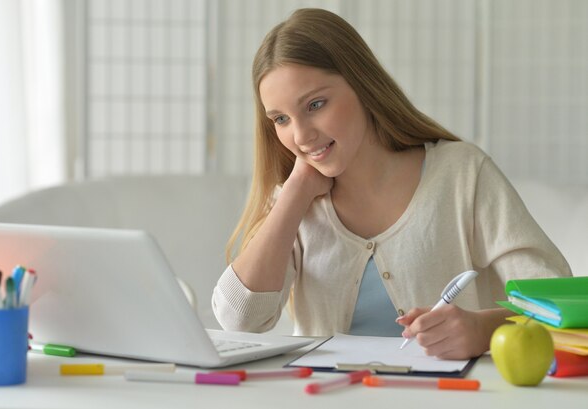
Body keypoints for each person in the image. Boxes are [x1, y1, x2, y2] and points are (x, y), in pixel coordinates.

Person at [211, 8, 571, 360]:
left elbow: (561, 306)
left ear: (362, 85)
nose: (301, 135)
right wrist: (294, 194)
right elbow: (239, 320)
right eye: (281, 118)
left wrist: (483, 331)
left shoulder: (462, 174)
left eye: (316, 104)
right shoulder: (295, 201)